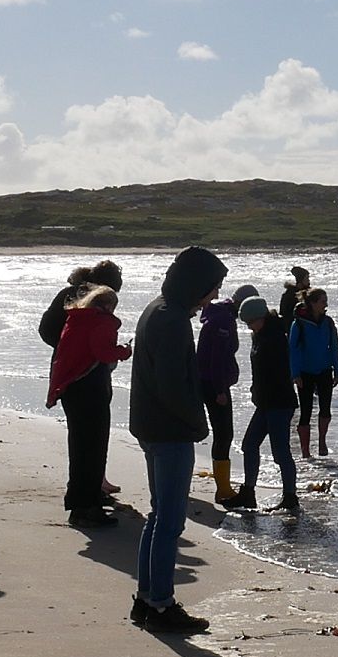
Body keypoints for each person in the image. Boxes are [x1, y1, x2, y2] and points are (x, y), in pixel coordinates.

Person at [129, 246, 227, 633]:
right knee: (169, 521)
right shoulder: (172, 319)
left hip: (152, 426)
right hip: (168, 431)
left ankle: (146, 599)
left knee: (158, 516)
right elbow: (173, 386)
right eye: (213, 287)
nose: (215, 296)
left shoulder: (158, 308)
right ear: (197, 284)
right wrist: (197, 425)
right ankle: (162, 604)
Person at [48, 281, 131, 525]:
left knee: (80, 448)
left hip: (72, 389)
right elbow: (104, 353)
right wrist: (124, 351)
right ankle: (87, 506)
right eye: (113, 306)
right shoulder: (101, 322)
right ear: (106, 305)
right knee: (93, 449)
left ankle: (81, 501)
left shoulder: (76, 319)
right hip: (89, 389)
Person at [232, 293, 300, 514]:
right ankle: (248, 493)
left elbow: (276, 374)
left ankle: (290, 496)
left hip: (279, 403)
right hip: (265, 403)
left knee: (281, 453)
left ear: (261, 317)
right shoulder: (261, 336)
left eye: (251, 322)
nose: (250, 327)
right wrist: (255, 391)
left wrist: (261, 392)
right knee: (249, 444)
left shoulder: (276, 338)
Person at [196, 285, 255, 506]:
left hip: (209, 381)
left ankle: (223, 485)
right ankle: (223, 489)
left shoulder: (219, 314)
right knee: (224, 434)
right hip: (214, 384)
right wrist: (220, 389)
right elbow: (217, 358)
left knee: (222, 434)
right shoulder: (224, 321)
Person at [288, 287, 338, 458]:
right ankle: (305, 451)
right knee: (306, 411)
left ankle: (322, 442)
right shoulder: (299, 324)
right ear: (312, 303)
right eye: (322, 301)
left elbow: (334, 346)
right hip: (305, 372)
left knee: (325, 409)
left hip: (325, 370)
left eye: (326, 301)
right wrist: (295, 374)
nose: (326, 304)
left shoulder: (328, 322)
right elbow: (293, 350)